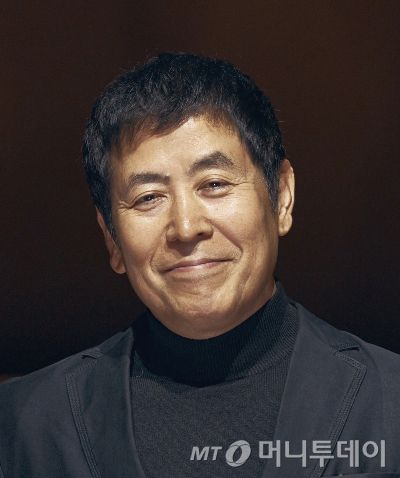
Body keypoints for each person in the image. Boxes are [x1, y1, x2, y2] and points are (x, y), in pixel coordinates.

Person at [0, 53, 399, 478]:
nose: (186, 227)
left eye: (214, 184)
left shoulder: (387, 401)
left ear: (281, 196)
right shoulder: (26, 427)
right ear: (111, 238)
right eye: (148, 198)